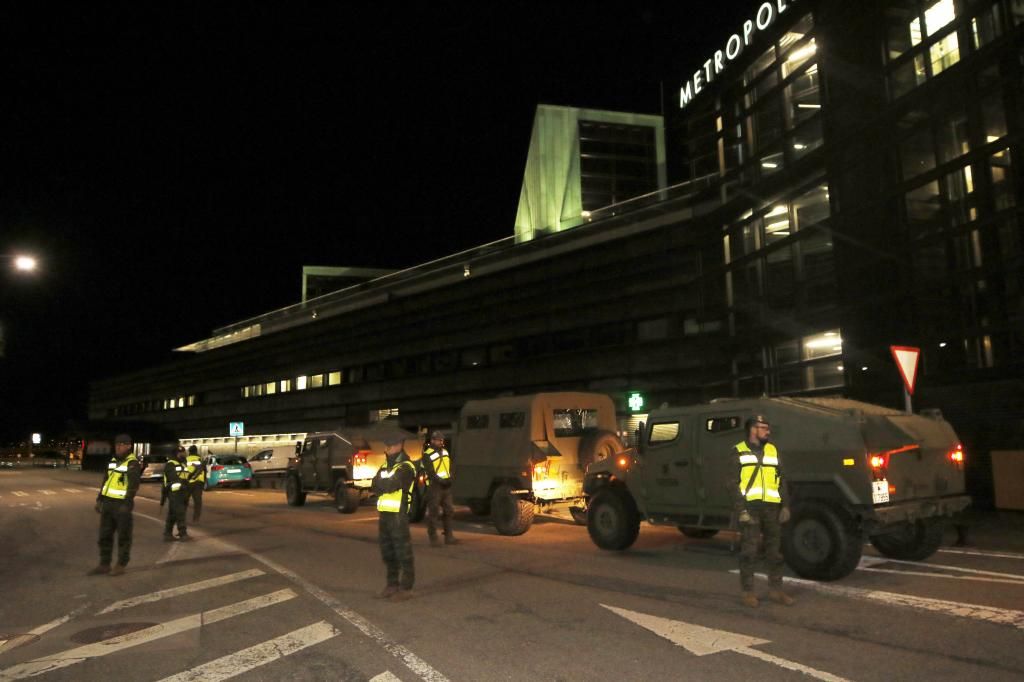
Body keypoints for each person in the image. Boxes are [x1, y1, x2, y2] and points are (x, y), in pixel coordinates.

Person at [734, 415, 794, 608]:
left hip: (771, 507)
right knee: (749, 552)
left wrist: (785, 505)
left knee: (775, 552)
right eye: (763, 428)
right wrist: (741, 509)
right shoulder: (738, 451)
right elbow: (732, 484)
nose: (768, 431)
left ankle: (776, 590)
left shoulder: (773, 450)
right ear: (753, 429)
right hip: (750, 508)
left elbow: (781, 479)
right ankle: (748, 592)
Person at [371, 434, 417, 601]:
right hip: (385, 514)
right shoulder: (385, 466)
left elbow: (390, 485)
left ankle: (406, 588)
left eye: (390, 445)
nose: (387, 448)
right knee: (387, 551)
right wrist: (382, 485)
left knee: (403, 551)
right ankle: (392, 585)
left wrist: (382, 485)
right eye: (387, 445)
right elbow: (373, 484)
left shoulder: (406, 466)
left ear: (399, 445)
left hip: (399, 514)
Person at [90, 433, 141, 576]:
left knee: (124, 536)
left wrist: (127, 503)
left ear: (129, 446)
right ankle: (104, 564)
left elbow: (133, 486)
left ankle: (121, 564)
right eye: (117, 444)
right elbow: (105, 481)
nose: (119, 447)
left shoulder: (132, 463)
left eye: (122, 444)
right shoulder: (113, 460)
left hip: (122, 505)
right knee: (104, 535)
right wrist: (100, 499)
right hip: (108, 503)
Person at [422, 430, 458, 547]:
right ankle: (433, 538)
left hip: (446, 486)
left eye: (442, 440)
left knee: (449, 511)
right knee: (433, 512)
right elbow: (430, 472)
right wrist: (441, 480)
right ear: (432, 440)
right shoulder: (427, 454)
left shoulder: (445, 452)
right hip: (434, 486)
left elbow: (450, 467)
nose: (441, 442)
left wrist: (451, 477)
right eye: (438, 440)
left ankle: (449, 536)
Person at [161, 446, 192, 541]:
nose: (183, 454)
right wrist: (183, 483)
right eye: (181, 453)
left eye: (183, 453)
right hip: (174, 492)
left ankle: (167, 534)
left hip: (183, 492)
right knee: (180, 513)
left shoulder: (183, 464)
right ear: (176, 454)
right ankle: (183, 534)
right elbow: (173, 478)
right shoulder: (171, 464)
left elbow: (186, 476)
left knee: (173, 514)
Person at [184, 445, 205, 522]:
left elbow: (183, 470)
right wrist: (204, 482)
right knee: (197, 502)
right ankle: (196, 519)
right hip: (198, 483)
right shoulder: (200, 459)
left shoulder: (186, 459)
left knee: (185, 501)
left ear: (189, 452)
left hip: (188, 482)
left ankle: (182, 518)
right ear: (196, 451)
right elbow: (204, 470)